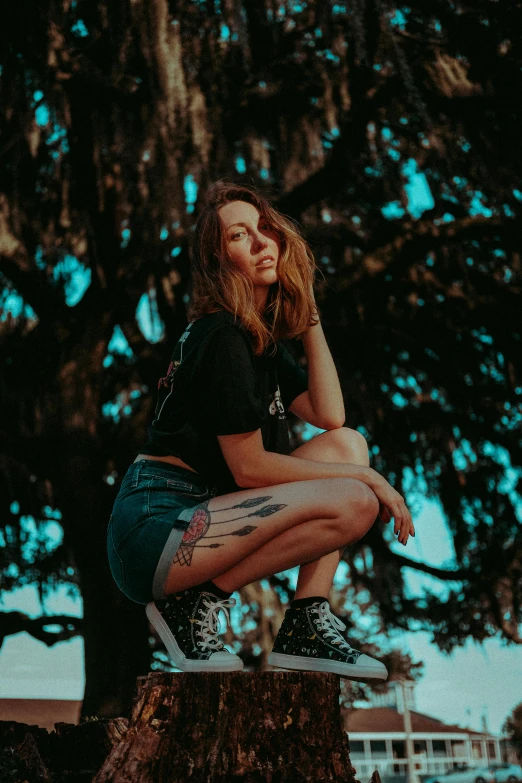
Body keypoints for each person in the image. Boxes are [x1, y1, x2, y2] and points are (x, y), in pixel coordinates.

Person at [107, 180, 415, 679]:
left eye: (266, 228)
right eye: (238, 235)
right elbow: (249, 469)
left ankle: (305, 623)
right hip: (155, 528)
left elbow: (329, 416)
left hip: (204, 513)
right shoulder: (224, 335)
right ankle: (192, 606)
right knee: (356, 498)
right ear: (218, 259)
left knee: (349, 447)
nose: (260, 241)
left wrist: (306, 301)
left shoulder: (257, 339)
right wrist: (373, 482)